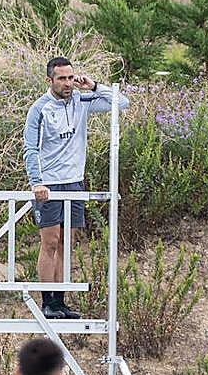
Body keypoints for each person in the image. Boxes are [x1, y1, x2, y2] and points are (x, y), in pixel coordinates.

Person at [24, 56, 129, 320]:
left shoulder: (81, 101)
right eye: (62, 78)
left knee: (66, 243)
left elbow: (121, 103)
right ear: (50, 80)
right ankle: (47, 302)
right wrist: (36, 182)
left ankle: (60, 302)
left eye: (70, 77)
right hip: (49, 183)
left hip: (74, 181)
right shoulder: (40, 109)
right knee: (50, 242)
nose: (68, 83)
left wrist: (94, 86)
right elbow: (30, 149)